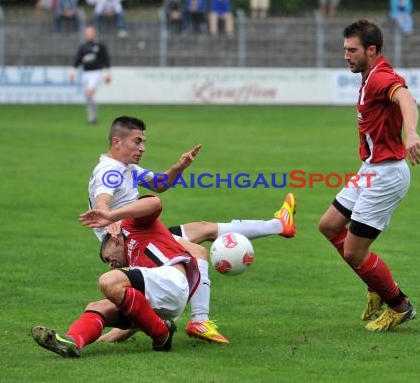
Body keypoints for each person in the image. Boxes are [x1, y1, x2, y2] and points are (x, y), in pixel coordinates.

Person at [88, 116, 297, 343]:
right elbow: (102, 202)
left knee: (202, 229)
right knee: (195, 254)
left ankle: (278, 225)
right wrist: (110, 219)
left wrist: (179, 167)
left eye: (143, 142)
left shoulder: (127, 169)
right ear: (117, 142)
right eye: (137, 142)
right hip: (129, 241)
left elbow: (160, 184)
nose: (142, 148)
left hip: (141, 231)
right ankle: (199, 320)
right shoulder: (109, 171)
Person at [318, 19, 420, 332]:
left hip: (387, 174)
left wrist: (412, 132)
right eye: (345, 50)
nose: (346, 56)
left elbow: (405, 97)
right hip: (371, 169)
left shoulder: (381, 78)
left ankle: (399, 305)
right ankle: (375, 282)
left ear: (371, 50)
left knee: (354, 251)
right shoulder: (368, 76)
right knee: (329, 225)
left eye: (352, 50)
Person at [32, 196, 201, 357]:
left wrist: (113, 216)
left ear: (114, 240)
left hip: (172, 280)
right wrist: (107, 338)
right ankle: (72, 341)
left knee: (108, 280)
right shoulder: (135, 270)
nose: (110, 264)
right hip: (162, 305)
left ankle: (161, 333)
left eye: (107, 257)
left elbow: (155, 202)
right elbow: (136, 307)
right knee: (98, 306)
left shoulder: (130, 225)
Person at [70, 25, 110, 125]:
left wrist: (108, 73)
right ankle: (93, 117)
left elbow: (106, 60)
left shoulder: (100, 46)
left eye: (91, 33)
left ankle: (92, 118)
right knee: (88, 97)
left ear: (94, 34)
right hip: (85, 74)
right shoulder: (82, 47)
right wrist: (73, 72)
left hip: (96, 73)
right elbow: (77, 60)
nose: (89, 35)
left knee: (89, 93)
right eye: (87, 33)